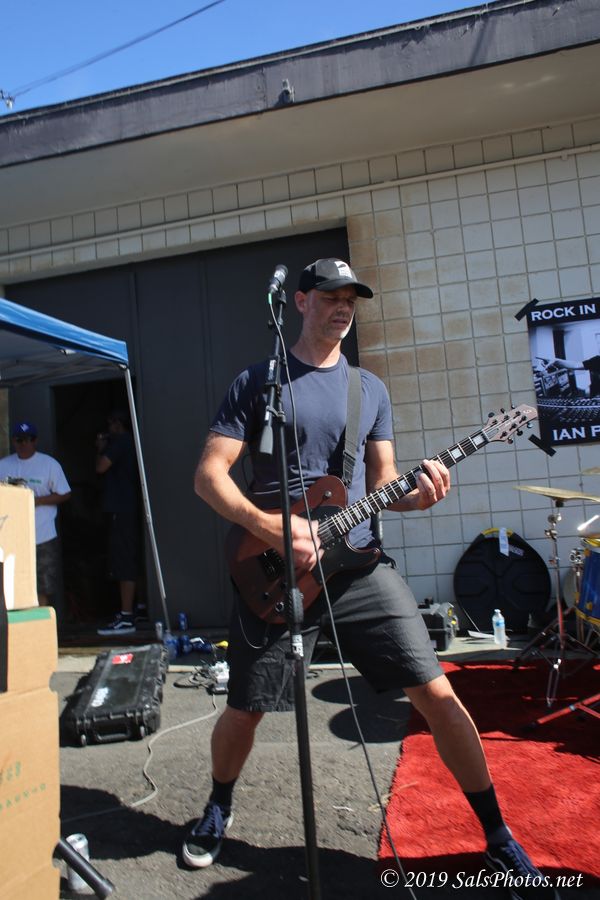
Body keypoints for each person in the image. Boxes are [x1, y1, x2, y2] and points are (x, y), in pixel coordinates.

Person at [186, 259, 558, 899]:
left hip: (358, 565)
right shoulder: (259, 382)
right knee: (245, 710)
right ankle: (219, 805)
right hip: (275, 572)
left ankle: (497, 834)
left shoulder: (369, 390)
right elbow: (208, 476)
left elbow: (386, 487)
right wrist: (270, 525)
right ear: (300, 301)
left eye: (351, 299)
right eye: (331, 296)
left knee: (438, 695)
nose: (343, 307)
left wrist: (420, 494)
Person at [0, 420, 71, 606]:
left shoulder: (49, 464)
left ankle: (42, 622)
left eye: (28, 439)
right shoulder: (3, 465)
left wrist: (37, 501)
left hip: (43, 536)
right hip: (12, 538)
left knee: (43, 586)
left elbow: (65, 493)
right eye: (19, 440)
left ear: (35, 441)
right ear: (13, 441)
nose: (24, 444)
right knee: (12, 585)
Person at [96, 409, 143, 636]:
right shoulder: (130, 442)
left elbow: (100, 467)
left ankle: (126, 616)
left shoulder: (121, 442)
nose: (108, 428)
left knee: (124, 560)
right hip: (129, 507)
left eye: (111, 423)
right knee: (132, 556)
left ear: (118, 424)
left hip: (121, 509)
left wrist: (100, 447)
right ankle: (138, 608)